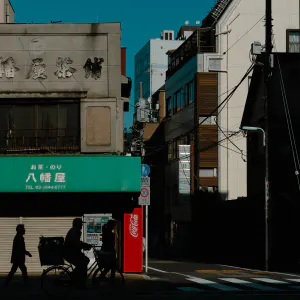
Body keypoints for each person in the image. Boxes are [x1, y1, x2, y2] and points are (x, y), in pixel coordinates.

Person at [64, 218, 92, 289]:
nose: (82, 225)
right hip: (70, 253)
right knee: (84, 262)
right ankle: (80, 282)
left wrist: (85, 245)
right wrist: (84, 246)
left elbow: (77, 242)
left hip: (71, 253)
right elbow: (76, 243)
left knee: (83, 262)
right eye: (80, 224)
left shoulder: (74, 231)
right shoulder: (75, 231)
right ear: (77, 224)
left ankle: (77, 278)